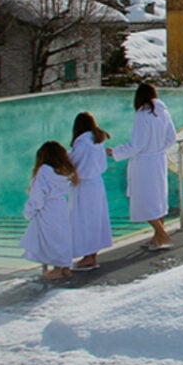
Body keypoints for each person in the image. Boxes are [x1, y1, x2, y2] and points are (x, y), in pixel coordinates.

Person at [109, 83, 178, 250]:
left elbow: (137, 145)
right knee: (158, 199)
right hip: (158, 160)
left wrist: (115, 152)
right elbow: (172, 138)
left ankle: (162, 235)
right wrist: (159, 149)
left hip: (145, 164)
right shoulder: (163, 112)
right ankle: (157, 238)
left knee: (144, 200)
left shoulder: (142, 115)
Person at [19, 140, 78, 280]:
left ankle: (56, 269)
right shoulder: (63, 172)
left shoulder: (44, 171)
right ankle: (65, 267)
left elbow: (38, 195)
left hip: (47, 208)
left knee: (49, 238)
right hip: (60, 206)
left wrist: (30, 211)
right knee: (62, 236)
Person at [69, 112, 112, 270]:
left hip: (84, 186)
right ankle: (92, 255)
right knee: (96, 219)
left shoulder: (81, 143)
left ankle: (88, 257)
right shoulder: (97, 141)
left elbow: (75, 163)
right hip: (97, 183)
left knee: (84, 220)